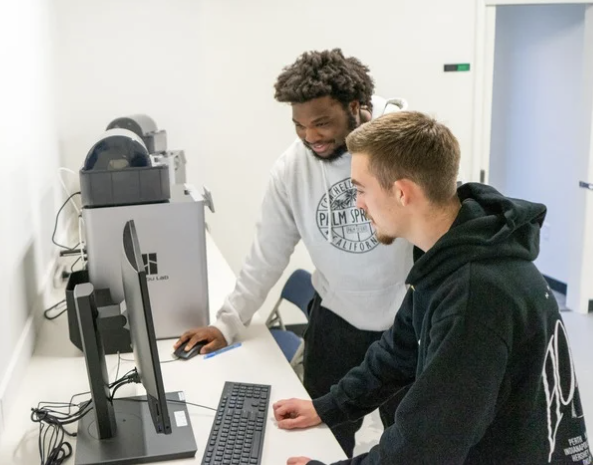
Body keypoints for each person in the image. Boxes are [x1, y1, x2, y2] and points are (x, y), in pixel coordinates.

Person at [273, 111, 590, 465]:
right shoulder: (449, 255)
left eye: (360, 190)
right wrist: (328, 407)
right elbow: (397, 353)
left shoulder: (474, 294)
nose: (358, 203)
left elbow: (424, 448)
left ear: (401, 192)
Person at [174, 49, 413, 457]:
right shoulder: (291, 170)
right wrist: (227, 323)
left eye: (322, 123)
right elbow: (267, 253)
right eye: (300, 126)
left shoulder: (404, 149)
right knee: (323, 438)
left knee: (409, 443)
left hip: (407, 327)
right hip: (337, 327)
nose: (310, 137)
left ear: (356, 107)